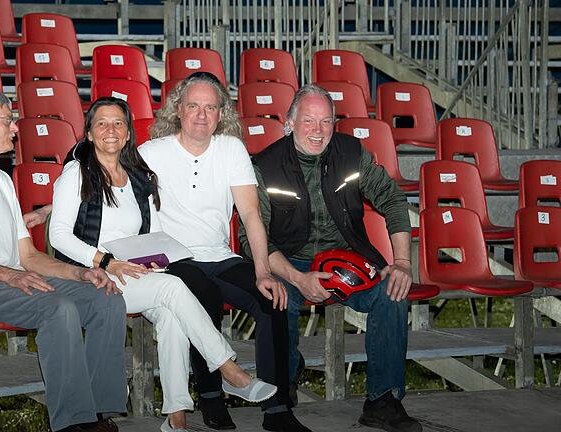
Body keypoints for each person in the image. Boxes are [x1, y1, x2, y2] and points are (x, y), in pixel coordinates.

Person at [27, 97, 277, 432]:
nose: (110, 130)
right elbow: (58, 236)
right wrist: (106, 261)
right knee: (175, 286)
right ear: (88, 133)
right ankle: (229, 368)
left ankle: (176, 416)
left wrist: (156, 261)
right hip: (90, 278)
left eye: (118, 123)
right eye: (101, 123)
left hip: (131, 275)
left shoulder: (137, 177)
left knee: (173, 313)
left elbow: (154, 230)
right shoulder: (77, 173)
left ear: (128, 134)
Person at [0, 89, 127, 432]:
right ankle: (73, 422)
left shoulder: (1, 179)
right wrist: (7, 276)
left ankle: (98, 411)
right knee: (56, 307)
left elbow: (28, 256)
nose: (15, 127)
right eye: (7, 119)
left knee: (105, 297)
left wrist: (81, 273)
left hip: (9, 280)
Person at [239, 84, 421, 432]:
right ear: (289, 122)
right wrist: (297, 278)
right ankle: (287, 374)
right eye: (308, 120)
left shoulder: (352, 154)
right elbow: (253, 237)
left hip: (348, 259)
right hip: (289, 260)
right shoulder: (264, 166)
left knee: (393, 294)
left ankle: (383, 400)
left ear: (335, 124)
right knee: (277, 298)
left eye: (325, 122)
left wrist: (402, 263)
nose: (317, 131)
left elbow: (394, 201)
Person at [140, 72, 307, 432]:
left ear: (221, 114)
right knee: (204, 296)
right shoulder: (151, 153)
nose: (202, 115)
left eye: (211, 108)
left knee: (274, 299)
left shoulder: (230, 148)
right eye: (194, 107)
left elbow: (250, 214)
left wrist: (263, 270)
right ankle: (212, 397)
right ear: (179, 111)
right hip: (173, 260)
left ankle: (277, 409)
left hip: (220, 255)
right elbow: (112, 192)